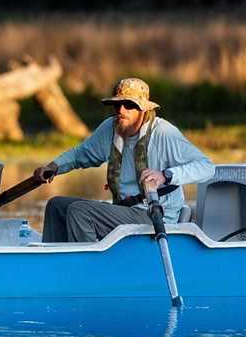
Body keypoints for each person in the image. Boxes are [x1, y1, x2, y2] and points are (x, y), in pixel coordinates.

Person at [33, 77, 215, 242]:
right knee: (56, 206)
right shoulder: (111, 129)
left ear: (143, 109)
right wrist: (53, 166)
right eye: (117, 105)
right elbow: (81, 154)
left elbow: (206, 167)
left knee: (80, 212)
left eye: (129, 105)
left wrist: (165, 175)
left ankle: (88, 270)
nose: (121, 110)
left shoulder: (164, 133)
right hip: (123, 210)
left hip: (153, 215)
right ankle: (58, 265)